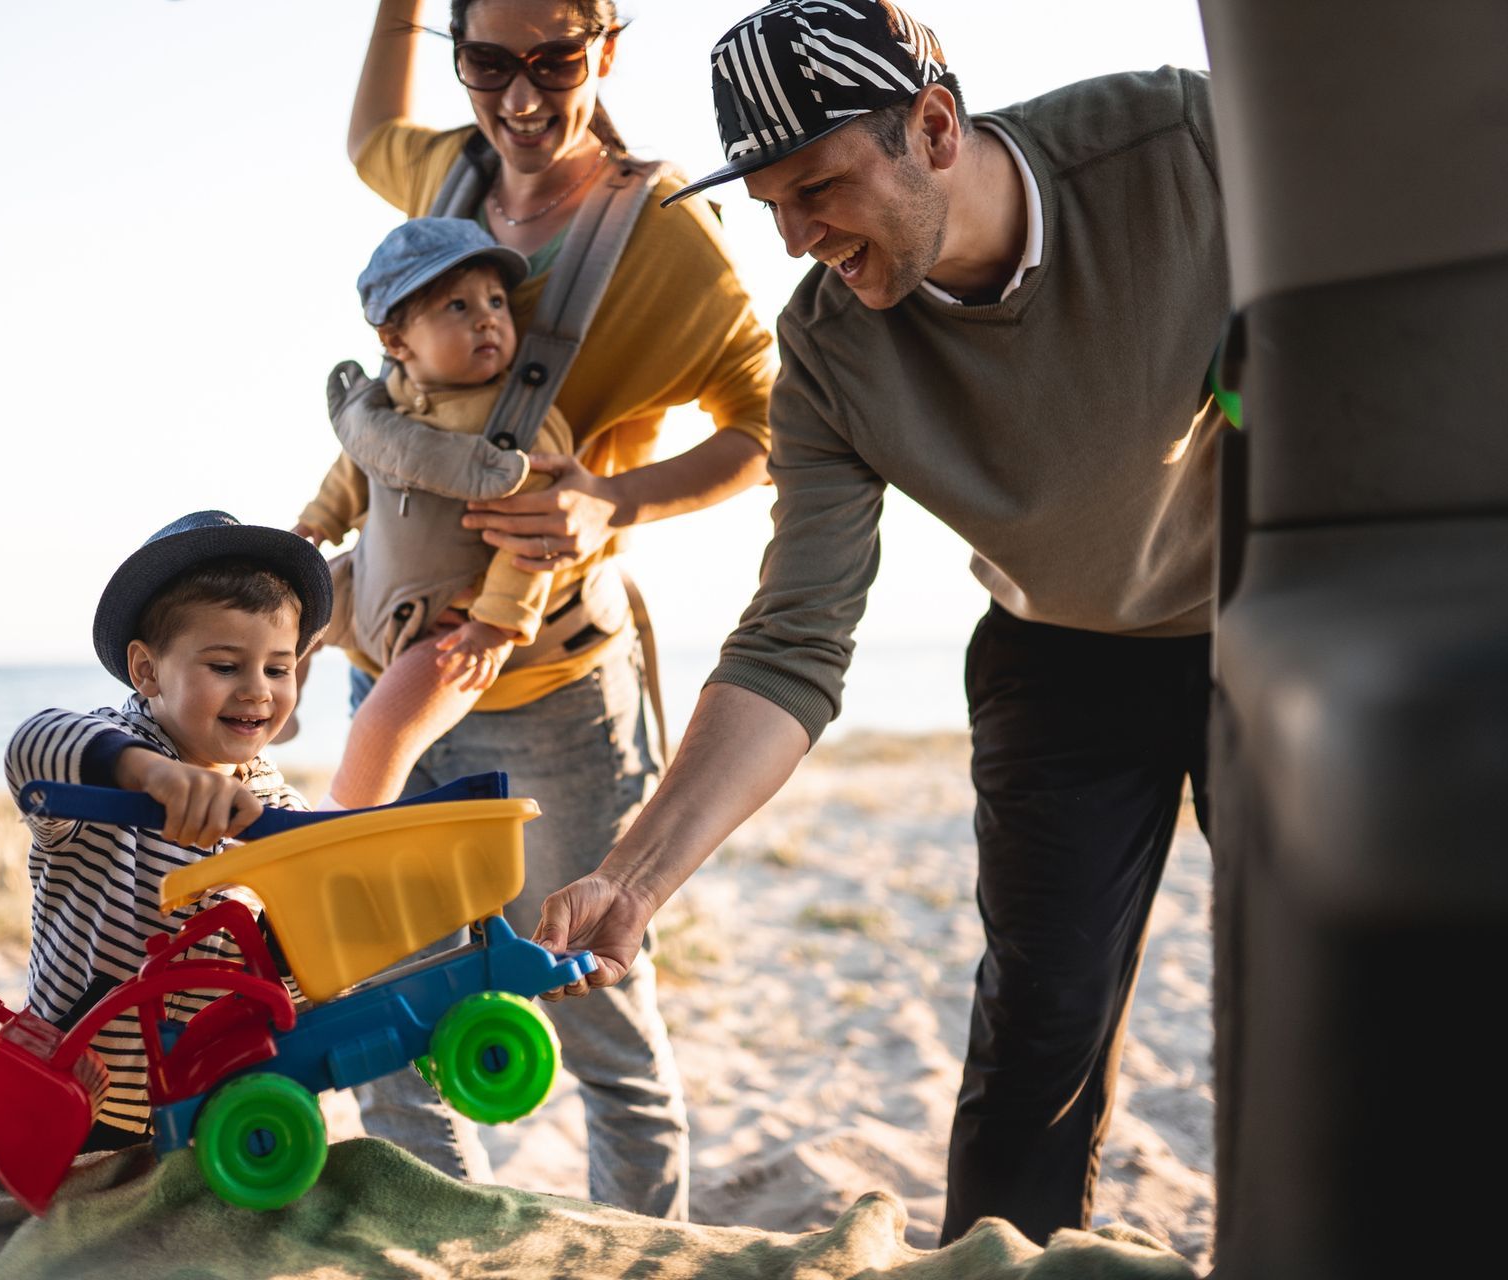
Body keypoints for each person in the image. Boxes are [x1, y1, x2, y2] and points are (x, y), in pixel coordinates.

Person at [532, 0, 1230, 1247]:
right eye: (773, 210)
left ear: (936, 125)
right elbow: (794, 640)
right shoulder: (829, 358)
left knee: (1322, 991)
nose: (800, 239)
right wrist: (632, 880)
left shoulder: (1180, 143)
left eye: (821, 190)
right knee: (1036, 1032)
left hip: (1269, 623)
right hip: (1059, 655)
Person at [340, 0, 779, 1219]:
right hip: (386, 676)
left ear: (608, 47)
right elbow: (371, 125)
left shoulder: (669, 236)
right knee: (382, 1010)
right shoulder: (445, 170)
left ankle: (639, 1252)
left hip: (556, 699)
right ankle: (433, 1241)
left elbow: (768, 422)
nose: (522, 100)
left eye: (556, 62)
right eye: (489, 63)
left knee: (595, 1015)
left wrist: (615, 502)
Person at [4, 510, 332, 1148]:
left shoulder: (272, 798)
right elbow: (31, 743)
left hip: (208, 1109)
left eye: (277, 668)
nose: (257, 692)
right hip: (79, 1099)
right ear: (148, 671)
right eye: (225, 665)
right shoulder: (112, 760)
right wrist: (150, 775)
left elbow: (296, 967)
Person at [295, 217, 586, 811]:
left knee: (385, 721)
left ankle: (341, 817)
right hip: (370, 580)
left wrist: (495, 625)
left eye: (497, 302)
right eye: (458, 306)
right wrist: (318, 523)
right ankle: (270, 726)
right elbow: (357, 464)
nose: (488, 318)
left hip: (450, 620)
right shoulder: (386, 403)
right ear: (397, 344)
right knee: (282, 611)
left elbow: (532, 540)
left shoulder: (520, 421)